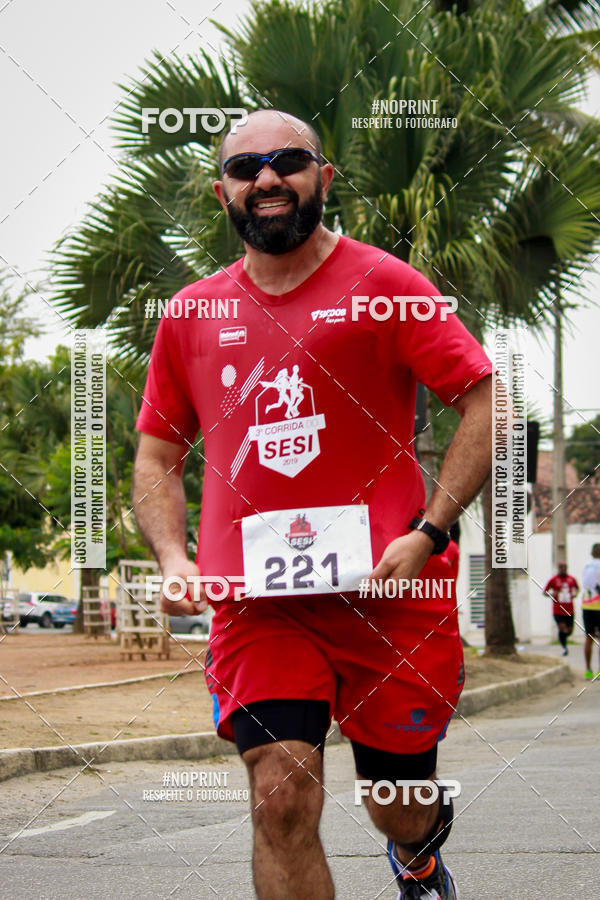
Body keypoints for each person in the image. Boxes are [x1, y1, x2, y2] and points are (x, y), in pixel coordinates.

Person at [133, 109, 495, 900]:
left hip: (391, 594)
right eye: (244, 168)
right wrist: (172, 554)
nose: (266, 178)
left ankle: (418, 856)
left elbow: (483, 400)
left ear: (323, 178)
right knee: (281, 794)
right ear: (223, 193)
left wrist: (430, 533)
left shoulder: (388, 285)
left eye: (288, 160)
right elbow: (159, 452)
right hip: (261, 604)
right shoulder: (193, 313)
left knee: (397, 804)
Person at [543, 562, 578, 656]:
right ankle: (564, 647)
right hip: (558, 609)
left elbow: (577, 589)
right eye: (561, 567)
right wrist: (552, 594)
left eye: (564, 567)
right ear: (558, 568)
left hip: (569, 609)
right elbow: (544, 592)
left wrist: (575, 594)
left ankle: (562, 638)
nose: (563, 569)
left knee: (569, 631)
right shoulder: (554, 580)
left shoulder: (571, 579)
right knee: (563, 628)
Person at [581, 543, 600, 679]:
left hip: (587, 605)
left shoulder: (586, 566)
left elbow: (586, 584)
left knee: (589, 637)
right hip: (598, 605)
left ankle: (588, 670)